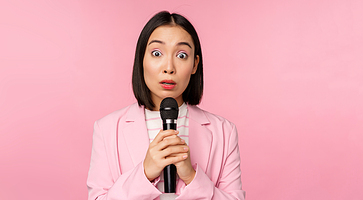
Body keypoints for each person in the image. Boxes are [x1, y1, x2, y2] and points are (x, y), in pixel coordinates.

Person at [87, 11, 245, 200]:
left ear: (194, 65)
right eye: (156, 53)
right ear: (141, 59)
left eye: (181, 55)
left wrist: (192, 177)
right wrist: (145, 173)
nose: (169, 67)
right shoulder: (107, 129)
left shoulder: (224, 132)